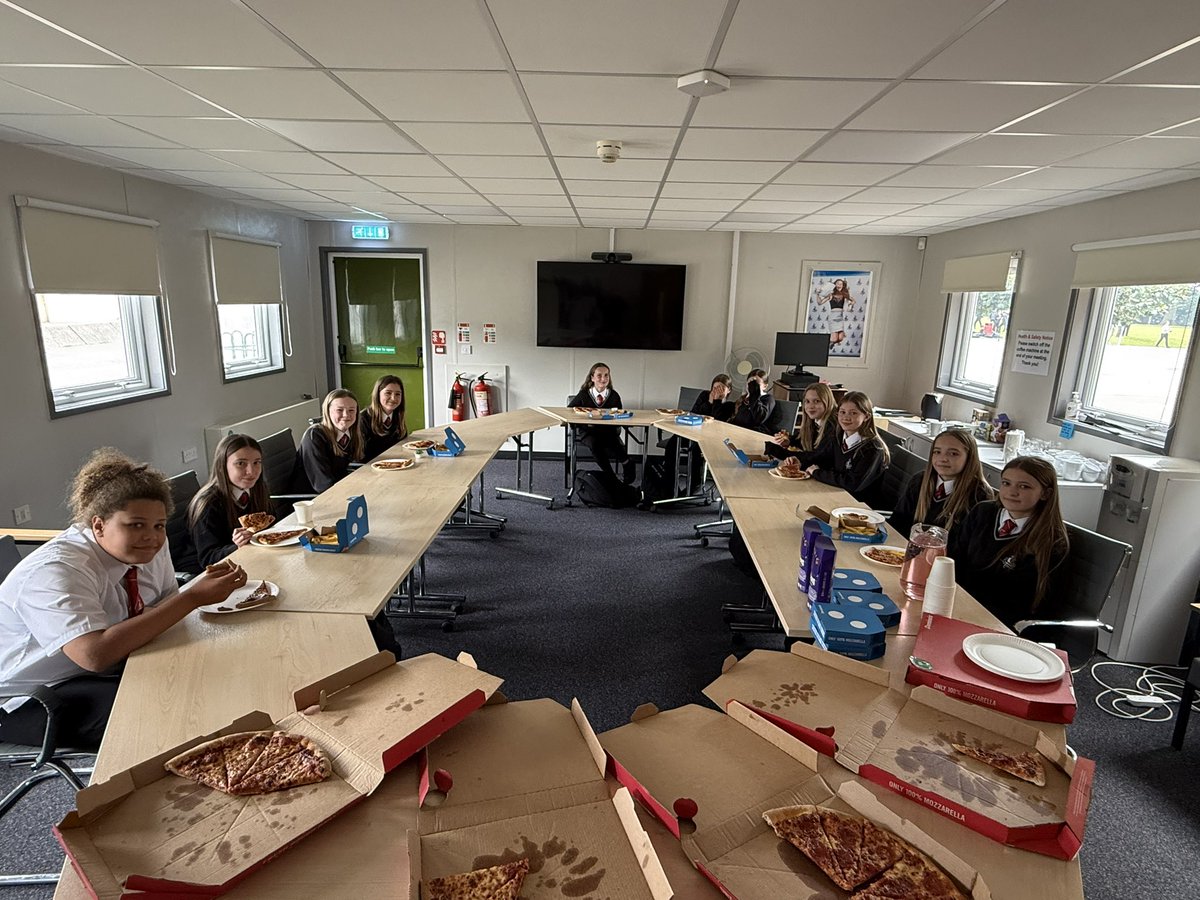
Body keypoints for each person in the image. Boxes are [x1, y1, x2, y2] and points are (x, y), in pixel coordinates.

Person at [0, 449, 244, 749]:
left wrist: (190, 600)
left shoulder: (149, 546)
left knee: (215, 674)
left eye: (159, 525)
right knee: (164, 714)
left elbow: (164, 609)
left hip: (106, 668)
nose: (152, 536)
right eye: (135, 525)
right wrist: (192, 597)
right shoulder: (57, 570)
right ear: (98, 525)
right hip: (32, 697)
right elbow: (94, 654)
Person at [947, 456, 1069, 630]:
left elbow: (1026, 603)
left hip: (999, 623)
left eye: (1024, 486)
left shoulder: (1050, 541)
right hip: (958, 605)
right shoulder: (983, 512)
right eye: (1006, 483)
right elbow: (953, 558)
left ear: (1045, 494)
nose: (1012, 492)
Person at [888, 429, 993, 538]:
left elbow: (969, 543)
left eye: (953, 454)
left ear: (969, 458)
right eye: (937, 452)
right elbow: (897, 521)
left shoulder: (979, 495)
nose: (943, 459)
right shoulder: (920, 480)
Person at [188, 434, 272, 570]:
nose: (251, 472)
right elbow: (208, 558)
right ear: (222, 466)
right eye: (241, 463)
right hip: (215, 571)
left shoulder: (258, 489)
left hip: (252, 558)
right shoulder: (208, 504)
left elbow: (271, 525)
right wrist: (237, 546)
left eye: (256, 463)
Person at [803, 391, 889, 502]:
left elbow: (852, 483)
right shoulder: (839, 437)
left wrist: (817, 473)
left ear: (866, 416)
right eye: (842, 412)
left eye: (853, 413)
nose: (846, 417)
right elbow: (821, 458)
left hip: (858, 504)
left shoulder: (873, 448)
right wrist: (799, 462)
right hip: (836, 493)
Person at [568, 362, 636, 484]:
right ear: (592, 378)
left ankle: (627, 463)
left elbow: (618, 414)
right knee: (595, 444)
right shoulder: (584, 394)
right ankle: (611, 476)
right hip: (588, 432)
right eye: (599, 375)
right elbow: (570, 411)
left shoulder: (614, 395)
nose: (603, 378)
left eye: (606, 375)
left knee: (614, 442)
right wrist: (585, 418)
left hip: (608, 431)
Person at [294, 389, 362, 493]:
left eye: (351, 410)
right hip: (314, 497)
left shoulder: (350, 434)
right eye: (339, 410)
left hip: (338, 488)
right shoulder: (314, 436)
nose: (346, 415)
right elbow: (323, 484)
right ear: (327, 412)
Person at [765, 382, 837, 464]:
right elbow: (802, 439)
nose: (810, 406)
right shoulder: (816, 421)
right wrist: (789, 441)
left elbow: (817, 457)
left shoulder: (833, 427)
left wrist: (781, 453)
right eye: (807, 401)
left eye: (816, 401)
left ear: (827, 402)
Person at [359, 375, 409, 462]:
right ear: (377, 394)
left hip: (395, 464)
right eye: (388, 393)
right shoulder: (363, 419)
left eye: (397, 394)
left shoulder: (397, 416)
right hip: (370, 466)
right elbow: (361, 456)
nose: (393, 398)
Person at [729, 369, 779, 435]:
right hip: (739, 430)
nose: (752, 386)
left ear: (765, 386)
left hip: (755, 433)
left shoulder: (768, 399)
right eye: (750, 383)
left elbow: (760, 418)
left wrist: (754, 395)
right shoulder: (743, 398)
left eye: (756, 383)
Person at [815, 278, 855, 347]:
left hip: (840, 317)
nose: (839, 285)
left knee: (840, 338)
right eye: (838, 283)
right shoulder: (830, 294)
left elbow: (853, 301)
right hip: (833, 317)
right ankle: (827, 344)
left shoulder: (844, 295)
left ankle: (831, 343)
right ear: (835, 285)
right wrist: (817, 295)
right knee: (835, 339)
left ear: (843, 286)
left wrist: (850, 305)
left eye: (841, 284)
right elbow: (820, 302)